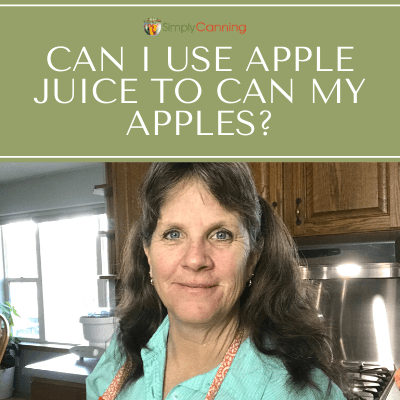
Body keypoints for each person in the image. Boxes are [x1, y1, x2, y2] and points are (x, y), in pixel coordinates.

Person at [87, 162, 347, 400]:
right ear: (148, 254)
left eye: (221, 235)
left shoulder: (292, 390)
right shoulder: (125, 348)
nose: (196, 259)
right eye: (173, 234)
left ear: (252, 259)